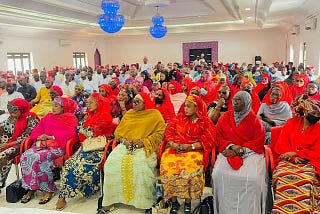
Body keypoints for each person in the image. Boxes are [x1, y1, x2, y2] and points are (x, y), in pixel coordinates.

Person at [98, 92, 166, 213]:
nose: (133, 104)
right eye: (133, 101)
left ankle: (143, 201)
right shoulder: (129, 114)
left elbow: (160, 134)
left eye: (137, 102)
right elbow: (118, 132)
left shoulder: (154, 115)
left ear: (145, 103)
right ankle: (111, 199)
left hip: (145, 146)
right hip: (126, 145)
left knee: (140, 166)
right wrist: (124, 140)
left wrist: (144, 141)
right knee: (110, 164)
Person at [56, 92, 115, 211]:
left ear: (99, 103)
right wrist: (82, 130)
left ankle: (86, 189)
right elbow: (81, 132)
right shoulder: (88, 115)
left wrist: (81, 129)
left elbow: (91, 132)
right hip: (86, 146)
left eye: (92, 102)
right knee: (69, 164)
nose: (89, 104)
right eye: (88, 102)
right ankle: (62, 196)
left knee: (83, 166)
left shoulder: (105, 116)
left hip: (99, 149)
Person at [212, 91, 267, 214]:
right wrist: (232, 147)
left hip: (250, 152)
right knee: (218, 175)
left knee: (253, 179)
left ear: (247, 103)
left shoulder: (255, 121)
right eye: (234, 100)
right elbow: (217, 136)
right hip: (227, 149)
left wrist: (241, 150)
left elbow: (258, 141)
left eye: (239, 100)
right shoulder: (225, 117)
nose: (235, 102)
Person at [159, 95, 215, 214]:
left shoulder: (205, 121)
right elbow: (168, 133)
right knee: (168, 167)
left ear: (197, 108)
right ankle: (174, 201)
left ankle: (187, 201)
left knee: (189, 169)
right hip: (176, 148)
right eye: (184, 106)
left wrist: (190, 146)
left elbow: (209, 140)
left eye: (188, 106)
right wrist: (173, 144)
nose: (185, 109)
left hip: (194, 150)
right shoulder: (178, 118)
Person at [20, 97, 78, 204]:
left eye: (56, 106)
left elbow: (71, 134)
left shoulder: (70, 118)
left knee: (39, 158)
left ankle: (48, 190)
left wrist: (52, 137)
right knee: (25, 156)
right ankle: (31, 188)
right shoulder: (48, 117)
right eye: (53, 105)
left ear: (63, 107)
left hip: (58, 146)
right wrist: (40, 137)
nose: (53, 108)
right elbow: (36, 131)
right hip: (42, 145)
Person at [271, 95, 320, 213]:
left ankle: (304, 209)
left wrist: (297, 153)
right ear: (305, 111)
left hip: (310, 162)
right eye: (314, 113)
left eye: (319, 115)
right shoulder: (291, 123)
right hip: (287, 161)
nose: (316, 117)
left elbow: (317, 151)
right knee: (283, 175)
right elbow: (281, 145)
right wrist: (292, 158)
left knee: (306, 178)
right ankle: (282, 210)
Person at [0, 98, 39, 189]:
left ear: (21, 109)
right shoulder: (12, 117)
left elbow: (26, 136)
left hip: (25, 144)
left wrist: (7, 145)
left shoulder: (30, 117)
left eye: (14, 112)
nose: (12, 115)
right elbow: (3, 127)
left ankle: (0, 182)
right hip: (12, 141)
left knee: (4, 155)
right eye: (10, 112)